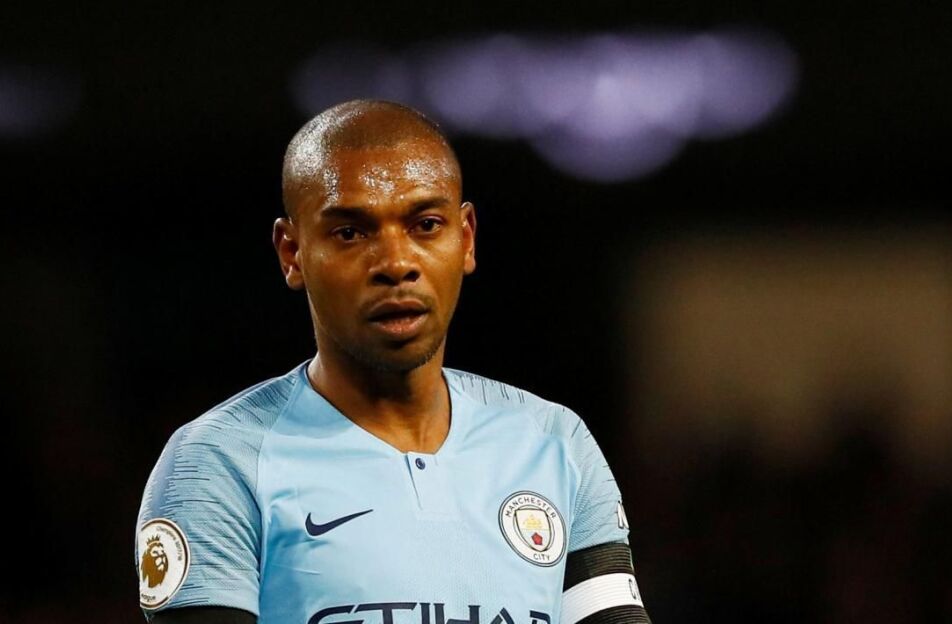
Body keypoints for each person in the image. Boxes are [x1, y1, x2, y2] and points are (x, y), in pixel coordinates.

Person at [135, 99, 651, 624]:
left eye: (425, 224)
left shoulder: (555, 443)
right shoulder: (219, 462)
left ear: (465, 238)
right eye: (350, 232)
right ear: (292, 252)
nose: (397, 263)